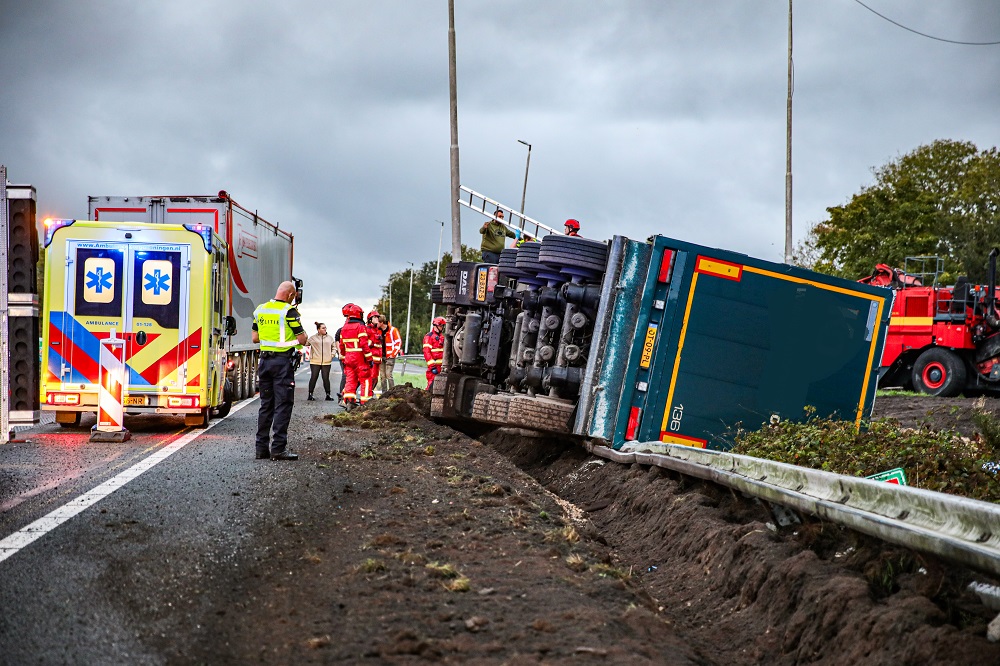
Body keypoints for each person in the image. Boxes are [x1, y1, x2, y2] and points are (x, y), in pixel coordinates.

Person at [252, 280, 307, 461]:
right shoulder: (289, 312)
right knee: (283, 405)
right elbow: (302, 339)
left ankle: (261, 449)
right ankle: (278, 449)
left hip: (264, 362)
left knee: (265, 405)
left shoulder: (260, 310)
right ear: (291, 295)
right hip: (282, 363)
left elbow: (255, 338)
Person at [338, 303, 373, 409]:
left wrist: (344, 356)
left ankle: (349, 402)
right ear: (358, 314)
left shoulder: (344, 328)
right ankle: (365, 403)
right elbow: (363, 344)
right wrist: (369, 358)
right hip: (360, 358)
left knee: (350, 380)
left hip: (348, 358)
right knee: (365, 379)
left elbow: (341, 345)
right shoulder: (360, 327)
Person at [306, 322, 335, 401]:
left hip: (326, 361)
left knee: (326, 378)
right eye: (323, 328)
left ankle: (328, 395)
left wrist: (332, 355)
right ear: (318, 330)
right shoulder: (313, 338)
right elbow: (305, 343)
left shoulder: (330, 338)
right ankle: (310, 394)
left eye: (325, 327)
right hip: (315, 361)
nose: (325, 329)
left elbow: (334, 347)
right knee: (314, 377)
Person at [364, 310, 384, 401]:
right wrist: (373, 341)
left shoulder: (377, 330)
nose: (377, 318)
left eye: (377, 317)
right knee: (369, 379)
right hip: (371, 360)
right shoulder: (367, 329)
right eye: (375, 317)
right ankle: (367, 397)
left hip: (377, 360)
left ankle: (369, 395)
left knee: (375, 379)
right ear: (370, 319)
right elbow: (365, 344)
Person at [379, 317, 403, 393]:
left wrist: (393, 354)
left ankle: (392, 393)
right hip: (381, 357)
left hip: (390, 356)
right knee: (382, 376)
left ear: (382, 322)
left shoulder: (393, 330)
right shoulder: (378, 331)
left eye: (378, 323)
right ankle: (384, 393)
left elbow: (398, 342)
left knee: (388, 375)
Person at [422, 316, 446, 390]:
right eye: (441, 326)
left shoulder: (442, 337)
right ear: (437, 326)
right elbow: (426, 352)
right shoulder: (429, 337)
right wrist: (432, 366)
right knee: (431, 385)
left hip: (441, 367)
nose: (442, 327)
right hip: (434, 367)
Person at [334, 325, 346, 402]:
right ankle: (342, 396)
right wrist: (340, 353)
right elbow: (337, 341)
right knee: (345, 375)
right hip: (344, 356)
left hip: (352, 355)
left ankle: (346, 395)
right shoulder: (341, 330)